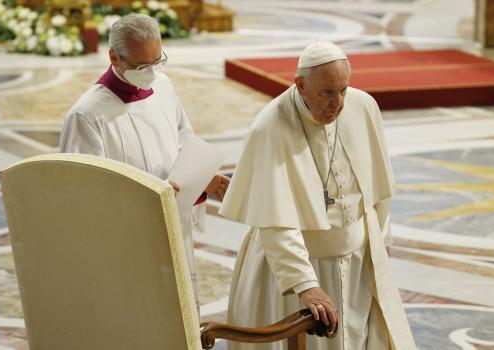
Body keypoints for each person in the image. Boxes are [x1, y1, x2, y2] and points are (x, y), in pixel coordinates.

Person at [219, 41, 416, 349]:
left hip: (357, 261)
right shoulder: (270, 128)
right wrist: (305, 284)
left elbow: (378, 190)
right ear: (300, 85)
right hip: (297, 267)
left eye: (343, 90)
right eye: (326, 92)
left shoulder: (363, 107)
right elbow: (275, 223)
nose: (337, 103)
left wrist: (381, 239)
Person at [59, 13, 229, 309]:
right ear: (114, 56)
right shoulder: (87, 115)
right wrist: (151, 196)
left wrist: (203, 177)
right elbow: (82, 197)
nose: (151, 72)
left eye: (157, 60)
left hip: (174, 225)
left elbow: (183, 141)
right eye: (141, 65)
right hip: (127, 241)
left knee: (178, 309)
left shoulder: (164, 87)